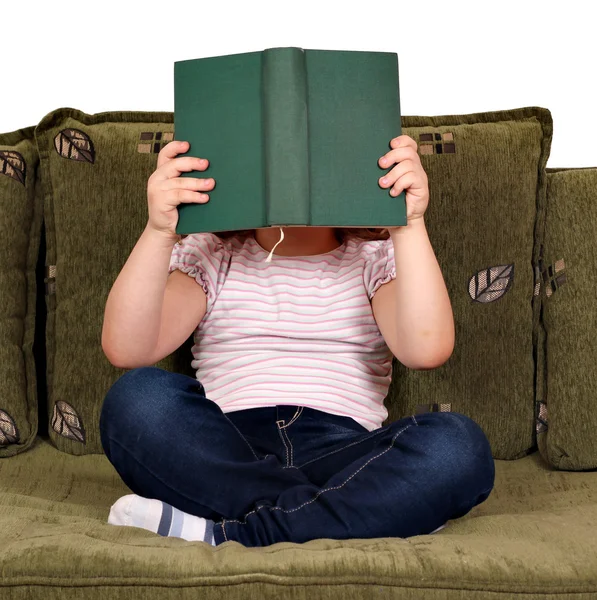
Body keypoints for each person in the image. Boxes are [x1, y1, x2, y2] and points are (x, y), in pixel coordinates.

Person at [99, 135, 495, 548]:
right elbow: (127, 348)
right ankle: (355, 512)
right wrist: (159, 231)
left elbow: (426, 349)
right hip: (229, 449)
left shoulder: (374, 258)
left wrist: (409, 223)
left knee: (458, 446)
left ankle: (226, 533)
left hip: (342, 453)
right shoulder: (212, 253)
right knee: (137, 399)